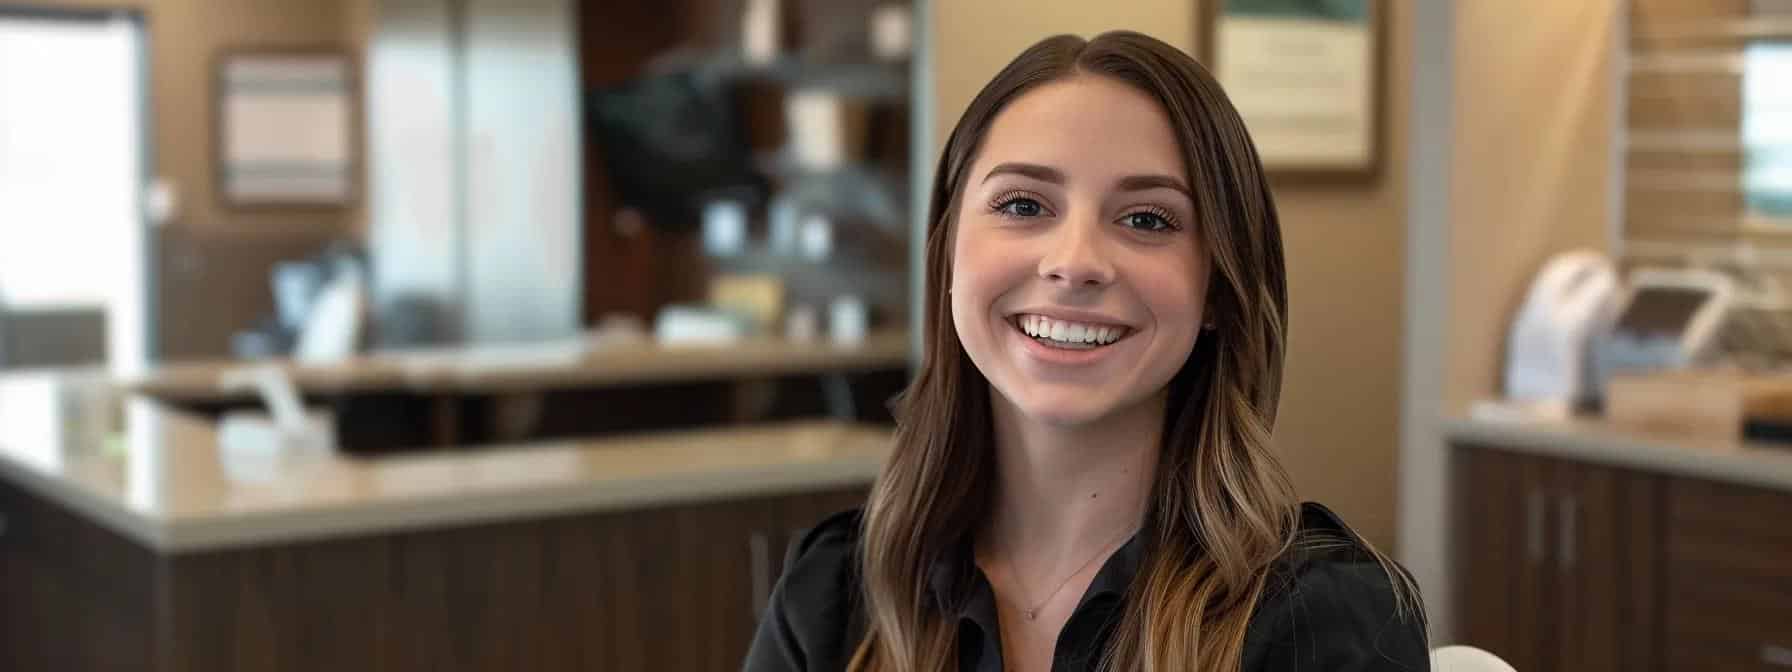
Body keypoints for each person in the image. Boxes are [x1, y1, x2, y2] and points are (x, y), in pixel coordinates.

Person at [743, 30, 1429, 672]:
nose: (1074, 263)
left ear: (1219, 289)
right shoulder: (833, 595)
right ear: (948, 250)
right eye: (1023, 205)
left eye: (1147, 219)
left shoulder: (1325, 622)